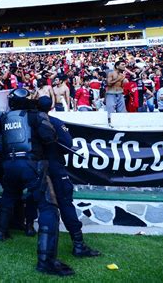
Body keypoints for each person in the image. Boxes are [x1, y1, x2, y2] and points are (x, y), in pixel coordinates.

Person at [0, 88, 74, 276]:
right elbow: (49, 138)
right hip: (31, 163)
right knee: (48, 207)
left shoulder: (2, 118)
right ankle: (46, 261)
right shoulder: (35, 116)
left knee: (8, 197)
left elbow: (0, 142)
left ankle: (1, 231)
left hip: (8, 164)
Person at [38, 96, 100, 258]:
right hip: (55, 167)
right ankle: (78, 245)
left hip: (37, 168)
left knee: (43, 204)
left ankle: (35, 234)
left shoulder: (30, 122)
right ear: (51, 107)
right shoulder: (56, 122)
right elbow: (68, 144)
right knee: (65, 203)